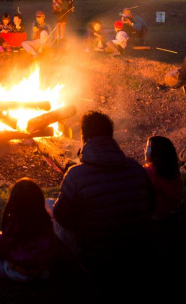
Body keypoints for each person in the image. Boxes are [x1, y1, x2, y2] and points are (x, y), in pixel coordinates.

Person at [52, 111, 154, 270]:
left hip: (96, 258)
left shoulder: (75, 175)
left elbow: (62, 218)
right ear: (110, 137)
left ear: (84, 139)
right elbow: (151, 205)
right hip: (137, 253)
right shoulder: (136, 169)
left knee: (50, 207)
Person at [0, 178, 56, 281]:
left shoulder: (14, 226)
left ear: (13, 203)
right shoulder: (47, 223)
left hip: (18, 270)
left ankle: (19, 275)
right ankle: (41, 274)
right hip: (40, 266)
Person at [143, 136, 183, 220]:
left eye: (147, 147)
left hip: (155, 216)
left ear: (156, 152)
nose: (145, 150)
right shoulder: (175, 174)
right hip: (173, 213)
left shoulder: (147, 173)